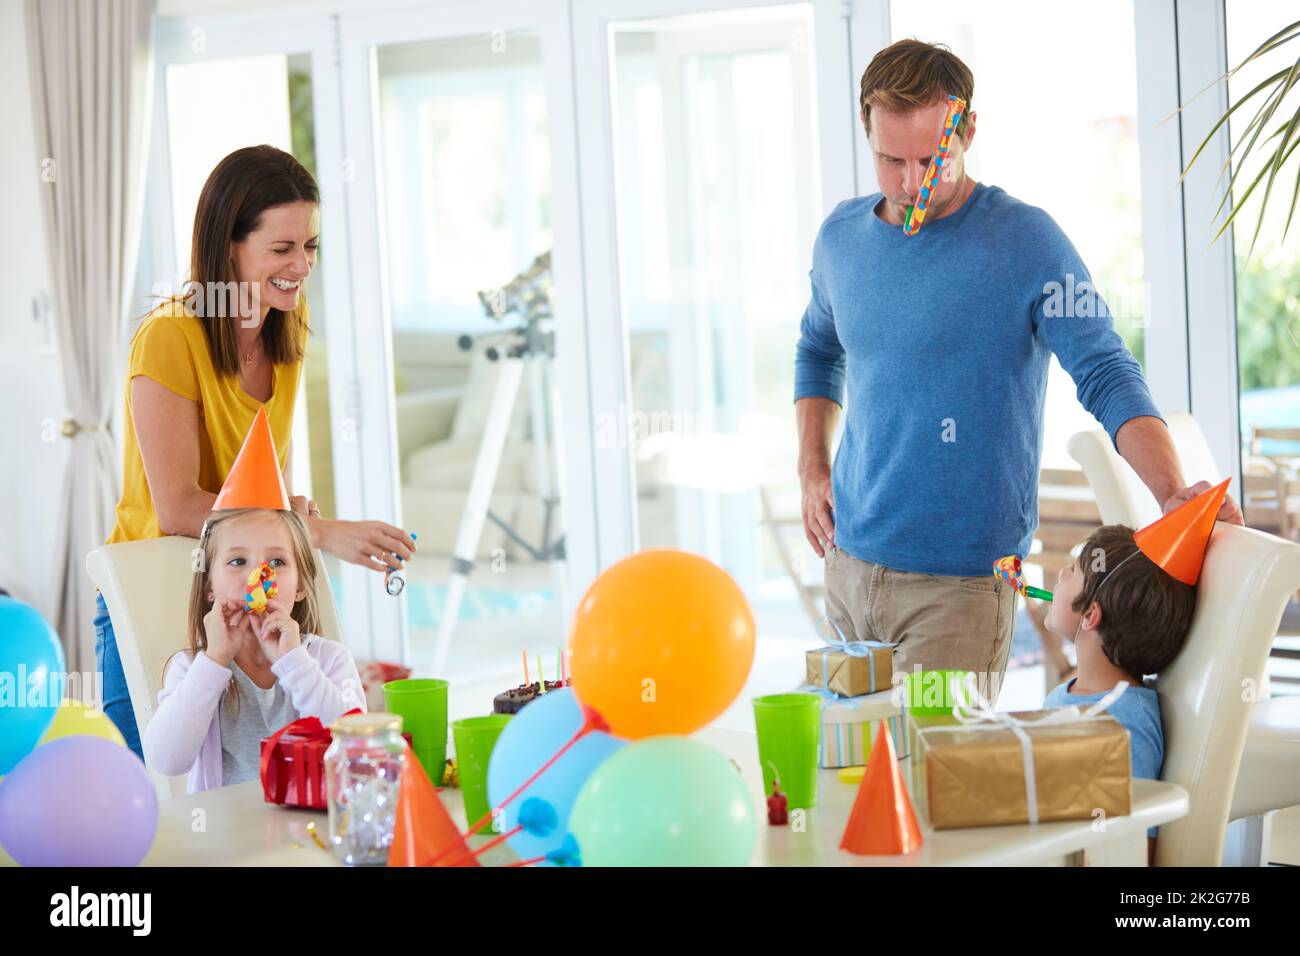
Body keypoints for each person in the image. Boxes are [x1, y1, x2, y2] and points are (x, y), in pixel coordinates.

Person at [794, 40, 1241, 704]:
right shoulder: (841, 239)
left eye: (932, 159)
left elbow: (1106, 371)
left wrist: (1170, 488)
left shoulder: (1028, 243)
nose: (912, 183)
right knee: (853, 788)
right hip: (850, 572)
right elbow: (817, 349)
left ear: (967, 129)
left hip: (962, 591)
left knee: (935, 795)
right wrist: (811, 465)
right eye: (892, 161)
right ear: (868, 131)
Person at [99, 145, 414, 760]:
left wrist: (292, 519)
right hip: (155, 587)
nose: (302, 265)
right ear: (228, 248)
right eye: (282, 249)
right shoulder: (169, 337)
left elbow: (267, 498)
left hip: (246, 586)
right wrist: (313, 530)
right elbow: (177, 507)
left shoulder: (285, 338)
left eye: (311, 246)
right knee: (153, 787)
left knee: (261, 777)